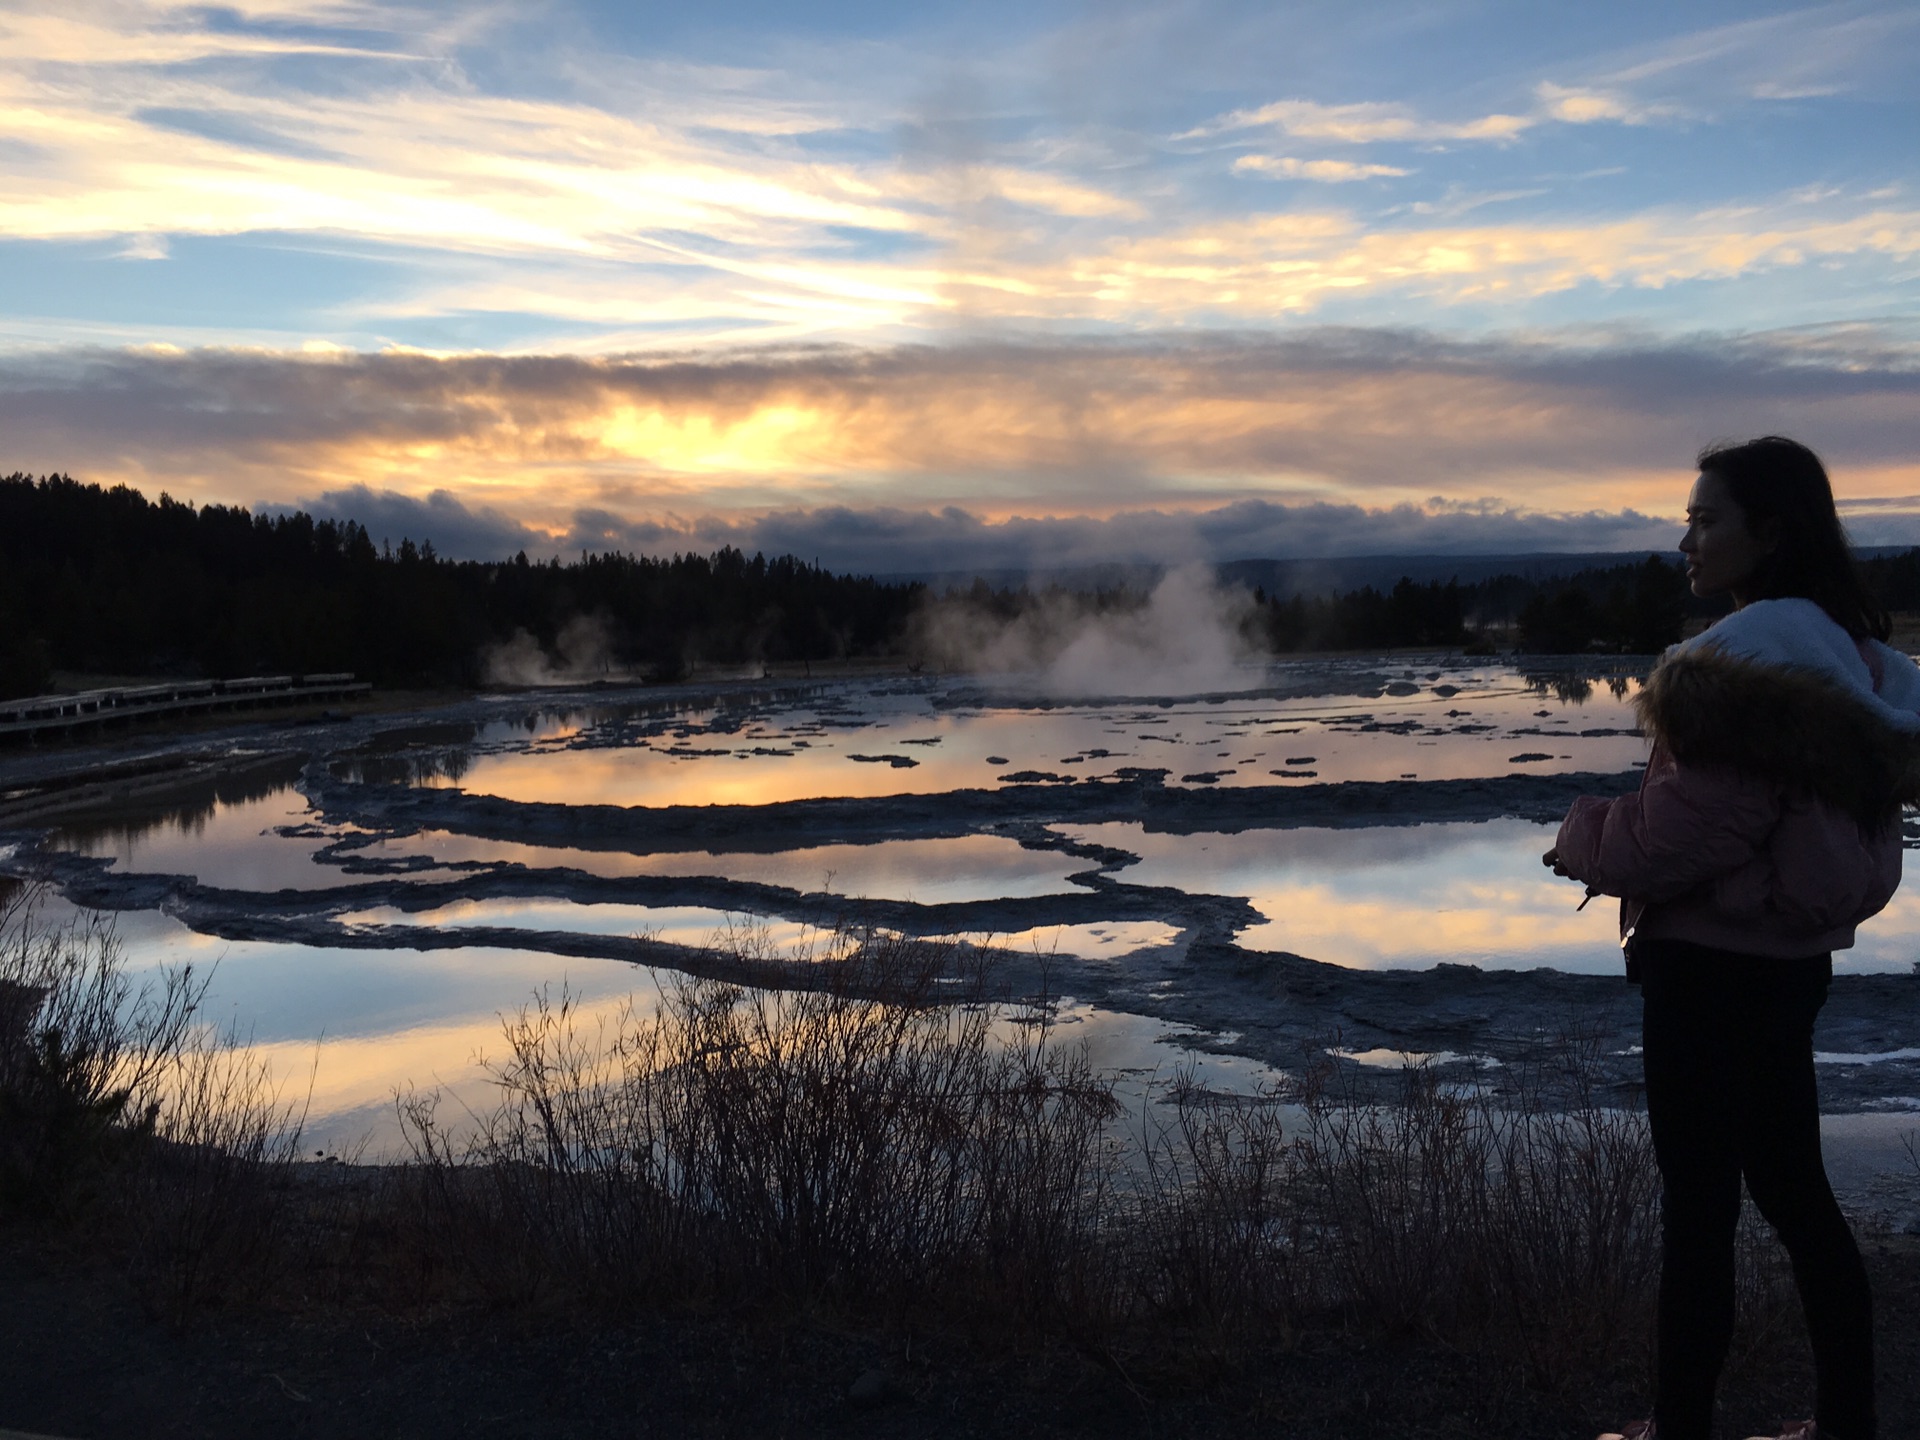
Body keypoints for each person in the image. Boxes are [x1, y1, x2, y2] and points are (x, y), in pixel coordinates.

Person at [1544, 436, 1920, 1440]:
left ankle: (1681, 1432)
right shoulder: (1850, 659)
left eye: (1708, 520)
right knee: (1797, 1196)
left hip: (1707, 974)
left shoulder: (1743, 667)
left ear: (1771, 533)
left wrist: (1583, 836)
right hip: (1789, 967)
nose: (1688, 540)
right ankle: (1848, 1423)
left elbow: (1683, 837)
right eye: (1690, 519)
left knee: (1701, 1214)